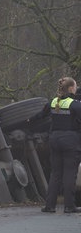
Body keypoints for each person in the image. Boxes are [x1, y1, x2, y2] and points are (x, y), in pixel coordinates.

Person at [30, 77, 81, 213]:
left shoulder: (53, 102)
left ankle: (49, 206)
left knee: (56, 173)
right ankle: (69, 206)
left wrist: (28, 120)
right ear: (71, 88)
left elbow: (40, 116)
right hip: (70, 140)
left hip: (54, 139)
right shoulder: (75, 104)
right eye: (75, 86)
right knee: (70, 172)